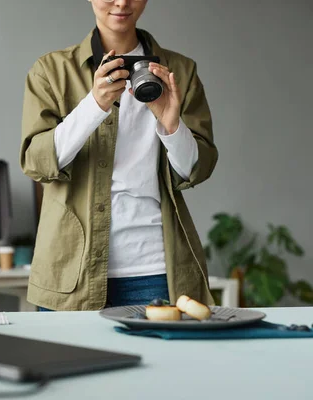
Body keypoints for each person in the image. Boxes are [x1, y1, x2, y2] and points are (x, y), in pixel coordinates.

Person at [20, 0, 217, 311]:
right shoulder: (51, 71)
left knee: (164, 361)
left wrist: (170, 124)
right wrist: (93, 105)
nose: (122, 2)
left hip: (154, 268)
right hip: (70, 266)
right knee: (68, 361)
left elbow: (197, 168)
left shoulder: (180, 71)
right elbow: (36, 162)